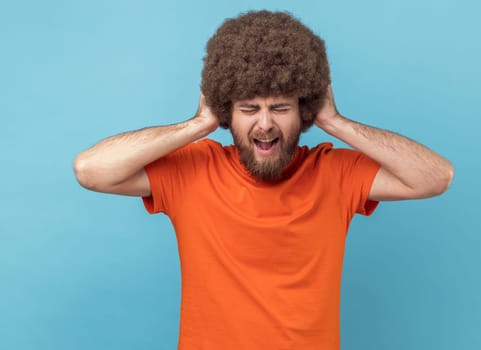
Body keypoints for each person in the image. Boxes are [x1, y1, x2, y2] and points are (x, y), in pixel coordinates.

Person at [74, 10, 454, 350]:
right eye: (249, 108)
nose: (266, 123)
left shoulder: (334, 173)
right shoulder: (193, 170)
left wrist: (336, 123)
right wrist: (198, 124)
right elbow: (91, 170)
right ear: (228, 113)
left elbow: (435, 178)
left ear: (304, 111)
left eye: (281, 107)